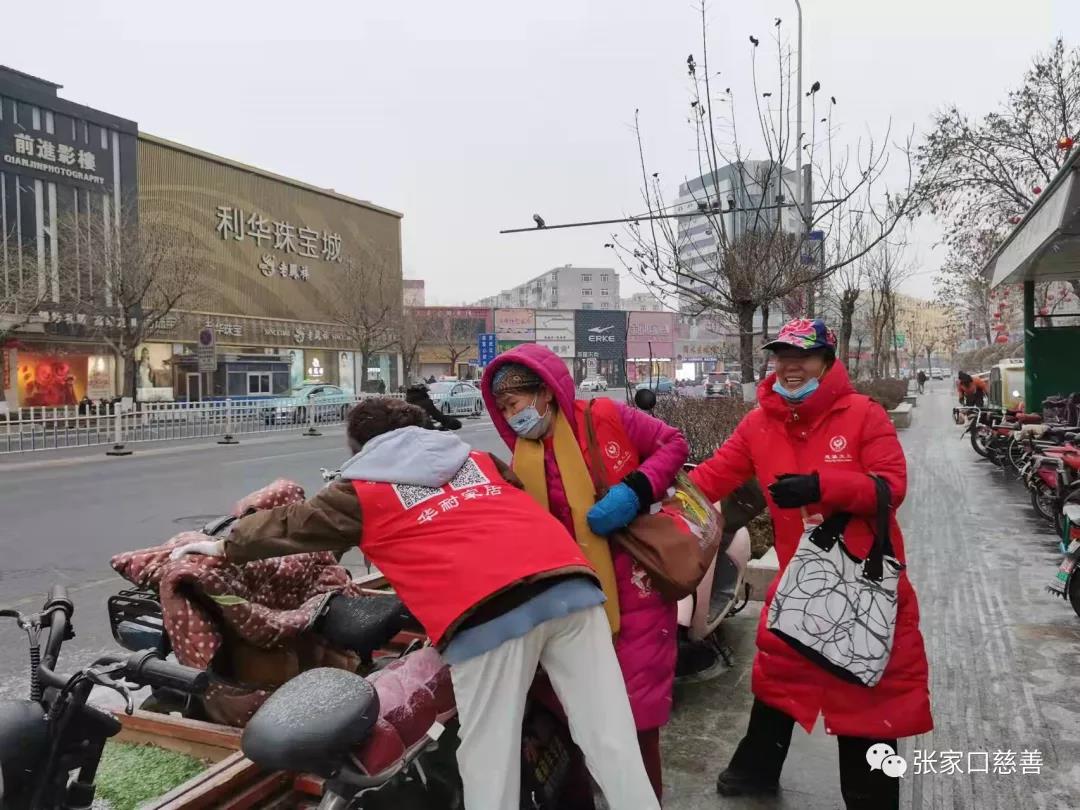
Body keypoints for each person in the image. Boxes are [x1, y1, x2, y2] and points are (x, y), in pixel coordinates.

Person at [169, 397, 659, 810]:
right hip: (570, 586)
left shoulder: (361, 490)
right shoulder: (480, 461)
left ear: (360, 448)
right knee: (610, 735)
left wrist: (220, 546)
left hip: (487, 615)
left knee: (490, 756)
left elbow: (290, 525)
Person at [688, 318, 932, 809]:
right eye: (782, 356)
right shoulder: (759, 423)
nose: (790, 366)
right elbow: (711, 477)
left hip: (861, 583)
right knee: (780, 674)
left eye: (803, 356)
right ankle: (755, 768)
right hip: (799, 581)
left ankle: (870, 797)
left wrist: (823, 487)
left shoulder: (862, 414)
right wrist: (652, 496)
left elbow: (891, 487)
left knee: (866, 691)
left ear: (827, 361)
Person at [481, 344, 689, 802]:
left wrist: (635, 490)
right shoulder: (523, 456)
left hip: (633, 592)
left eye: (515, 404)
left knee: (634, 719)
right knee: (568, 718)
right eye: (503, 410)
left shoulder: (605, 417)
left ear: (545, 393)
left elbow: (673, 444)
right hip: (565, 596)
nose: (512, 417)